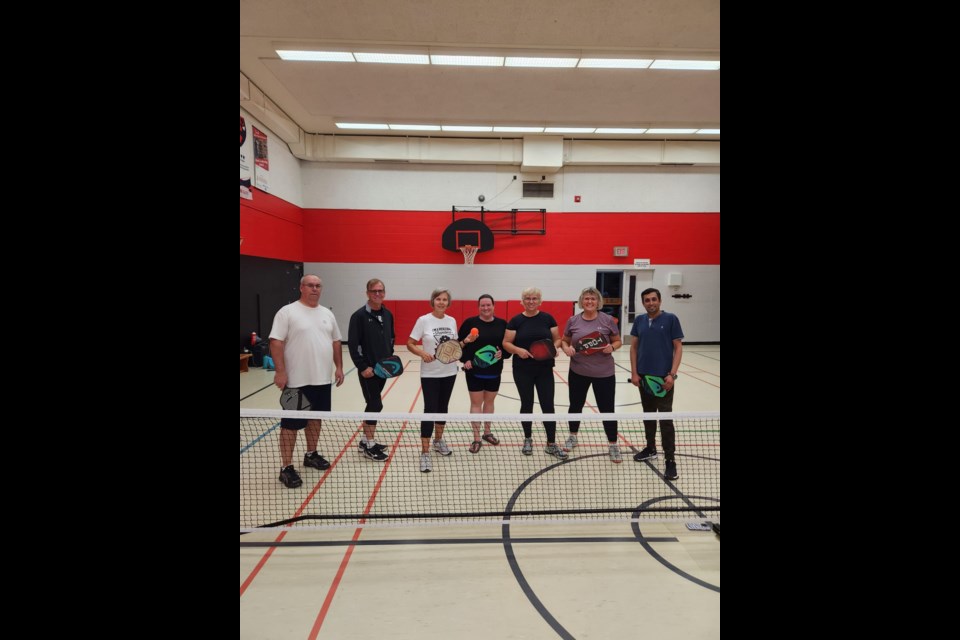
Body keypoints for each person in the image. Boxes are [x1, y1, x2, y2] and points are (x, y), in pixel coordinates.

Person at [269, 275, 345, 488]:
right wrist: (280, 372)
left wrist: (338, 367)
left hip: (321, 380)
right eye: (310, 285)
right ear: (301, 287)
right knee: (290, 426)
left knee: (315, 420)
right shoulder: (288, 312)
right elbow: (276, 342)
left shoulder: (327, 314)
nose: (314, 288)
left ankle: (311, 454)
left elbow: (336, 341)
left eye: (318, 285)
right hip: (295, 381)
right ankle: (286, 467)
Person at [407, 288, 476, 472]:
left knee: (443, 408)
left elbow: (453, 347)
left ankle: (438, 441)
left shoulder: (451, 321)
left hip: (449, 372)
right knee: (429, 410)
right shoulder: (423, 320)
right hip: (430, 373)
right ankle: (425, 453)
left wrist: (466, 341)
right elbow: (410, 343)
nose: (441, 302)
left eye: (445, 299)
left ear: (448, 302)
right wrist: (422, 353)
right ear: (433, 301)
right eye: (438, 299)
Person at [560, 287, 623, 462]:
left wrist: (612, 347)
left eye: (593, 299)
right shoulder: (573, 320)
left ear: (598, 302)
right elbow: (564, 341)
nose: (589, 302)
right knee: (575, 405)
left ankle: (613, 444)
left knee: (607, 409)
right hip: (578, 371)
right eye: (586, 298)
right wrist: (567, 349)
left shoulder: (608, 320)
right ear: (581, 301)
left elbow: (618, 341)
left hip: (604, 373)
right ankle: (573, 436)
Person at [502, 287, 567, 459]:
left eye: (534, 298)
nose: (531, 301)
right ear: (522, 301)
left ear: (540, 301)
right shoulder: (516, 321)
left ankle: (551, 443)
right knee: (526, 404)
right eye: (527, 298)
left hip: (544, 369)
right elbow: (506, 342)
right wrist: (518, 350)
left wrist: (555, 346)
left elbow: (558, 339)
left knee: (548, 405)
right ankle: (528, 439)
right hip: (523, 370)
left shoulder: (547, 318)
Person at [629, 287, 684, 480]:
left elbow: (678, 347)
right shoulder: (639, 321)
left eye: (653, 299)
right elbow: (634, 348)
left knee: (665, 420)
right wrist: (635, 373)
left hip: (663, 379)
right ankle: (650, 448)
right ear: (643, 303)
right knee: (649, 415)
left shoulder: (671, 319)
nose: (650, 303)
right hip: (644, 378)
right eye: (646, 300)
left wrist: (672, 375)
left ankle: (670, 459)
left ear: (659, 301)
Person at [347, 278, 394, 462]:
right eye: (374, 291)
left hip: (383, 370)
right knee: (375, 404)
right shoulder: (358, 316)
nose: (377, 294)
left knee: (371, 403)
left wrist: (390, 362)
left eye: (380, 291)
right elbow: (353, 345)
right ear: (367, 293)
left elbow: (391, 339)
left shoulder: (388, 314)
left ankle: (364, 440)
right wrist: (363, 367)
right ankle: (369, 444)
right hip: (368, 371)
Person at [458, 295, 510, 453]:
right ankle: (476, 438)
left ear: (494, 306)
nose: (485, 308)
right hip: (474, 371)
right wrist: (465, 360)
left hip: (494, 371)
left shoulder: (502, 324)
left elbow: (507, 347)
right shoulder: (470, 323)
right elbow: (460, 344)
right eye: (482, 305)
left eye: (488, 305)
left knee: (489, 403)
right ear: (478, 307)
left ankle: (487, 433)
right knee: (476, 404)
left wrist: (503, 354)